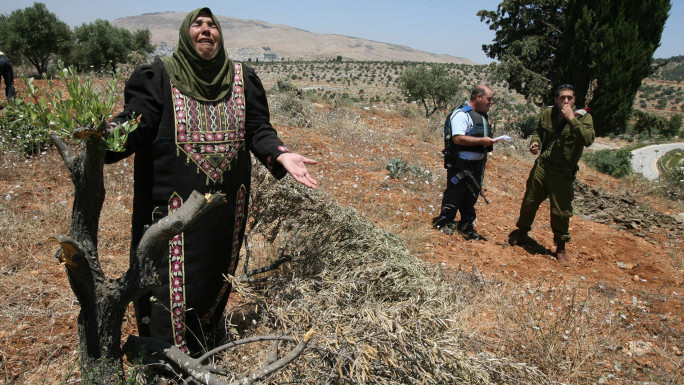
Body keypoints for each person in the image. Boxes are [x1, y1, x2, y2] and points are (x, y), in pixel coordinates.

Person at [105, 7, 317, 355]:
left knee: (215, 271)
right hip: (170, 205)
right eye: (197, 25)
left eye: (212, 25)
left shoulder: (241, 78)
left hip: (224, 206)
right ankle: (162, 358)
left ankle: (203, 343)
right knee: (164, 276)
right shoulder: (158, 76)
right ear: (185, 34)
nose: (205, 30)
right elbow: (138, 123)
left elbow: (258, 128)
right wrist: (107, 137)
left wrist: (280, 153)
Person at [508, 83, 594, 266]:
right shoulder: (547, 113)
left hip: (562, 173)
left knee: (560, 211)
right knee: (529, 201)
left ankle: (561, 247)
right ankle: (522, 232)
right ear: (556, 99)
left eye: (569, 98)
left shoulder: (583, 118)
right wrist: (535, 142)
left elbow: (587, 140)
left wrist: (572, 119)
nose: (566, 101)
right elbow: (538, 131)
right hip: (542, 166)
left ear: (574, 100)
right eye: (562, 97)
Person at [432, 85, 496, 240]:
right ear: (479, 97)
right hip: (460, 164)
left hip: (477, 164)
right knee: (455, 193)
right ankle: (445, 222)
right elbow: (458, 138)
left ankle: (466, 226)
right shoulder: (461, 114)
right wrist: (482, 141)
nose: (491, 102)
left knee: (471, 195)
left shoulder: (481, 115)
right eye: (489, 99)